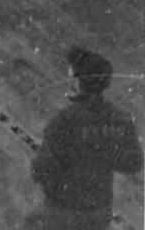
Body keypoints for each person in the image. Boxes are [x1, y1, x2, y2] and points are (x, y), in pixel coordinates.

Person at [24, 45, 140, 228]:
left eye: (72, 78)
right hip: (99, 211)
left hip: (63, 211)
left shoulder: (63, 121)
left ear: (79, 83)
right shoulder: (120, 119)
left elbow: (41, 170)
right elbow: (134, 163)